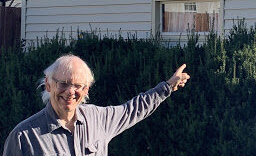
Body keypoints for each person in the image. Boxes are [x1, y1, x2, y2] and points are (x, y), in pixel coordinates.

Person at [2, 54, 190, 156]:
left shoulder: (99, 119)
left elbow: (134, 109)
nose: (70, 92)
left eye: (77, 86)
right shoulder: (23, 136)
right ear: (48, 84)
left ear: (86, 90)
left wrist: (167, 86)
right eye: (63, 84)